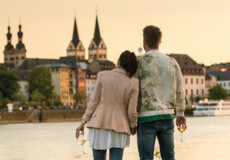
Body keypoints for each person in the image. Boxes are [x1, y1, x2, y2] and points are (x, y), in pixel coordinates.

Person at [76, 50, 139, 160]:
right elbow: (131, 111)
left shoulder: (103, 75)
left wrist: (83, 122)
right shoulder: (134, 82)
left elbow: (93, 101)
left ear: (118, 61)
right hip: (120, 127)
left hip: (99, 124)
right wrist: (133, 126)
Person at [135, 25, 187, 160]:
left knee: (146, 157)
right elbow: (180, 90)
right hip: (167, 116)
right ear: (160, 41)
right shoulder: (172, 62)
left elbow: (132, 90)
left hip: (146, 117)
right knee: (169, 156)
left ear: (144, 41)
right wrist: (180, 113)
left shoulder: (139, 63)